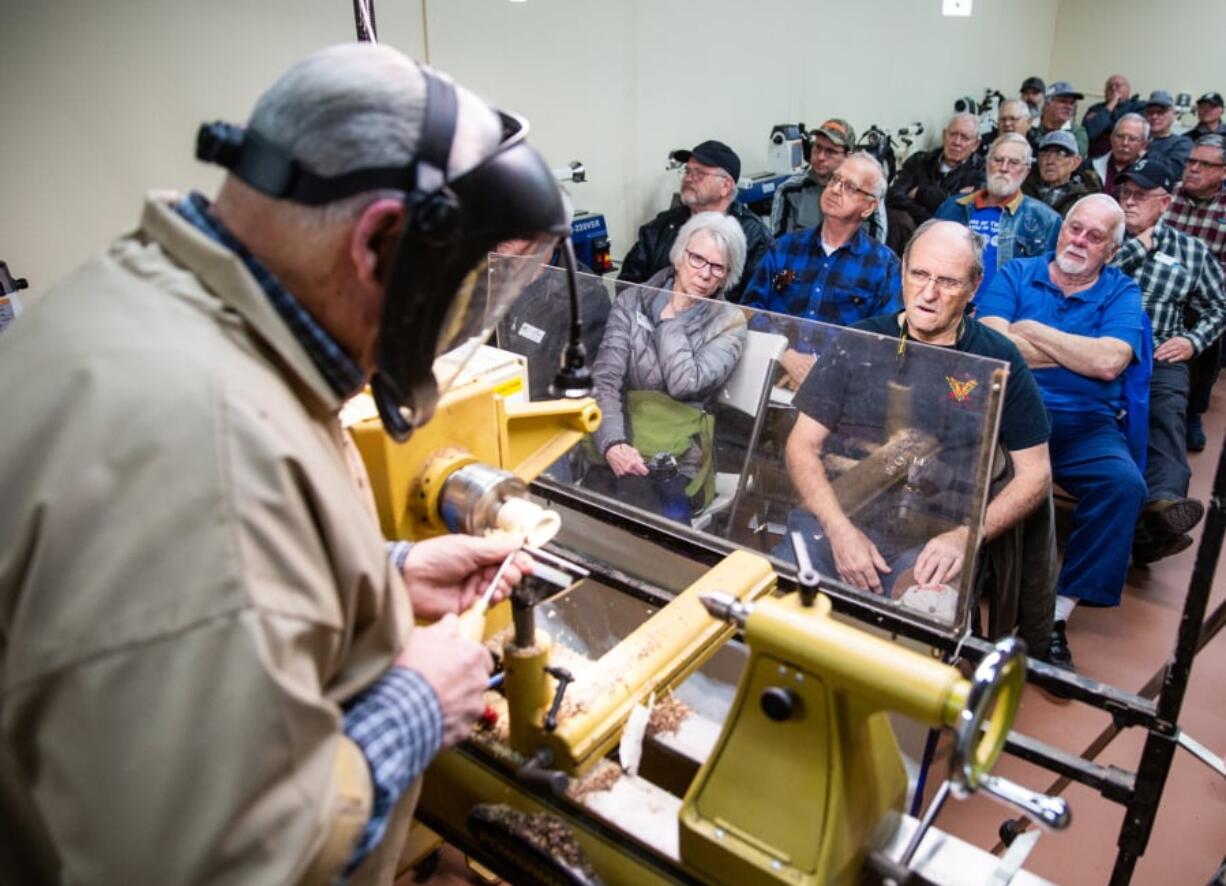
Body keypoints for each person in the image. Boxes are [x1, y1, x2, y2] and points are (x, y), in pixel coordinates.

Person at [0, 43, 556, 883]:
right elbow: (204, 861)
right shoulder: (203, 447)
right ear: (381, 243)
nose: (449, 324)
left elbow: (202, 593)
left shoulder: (152, 308)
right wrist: (417, 702)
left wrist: (382, 575)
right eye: (459, 285)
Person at [784, 221, 1053, 649]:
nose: (928, 294)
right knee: (778, 624)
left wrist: (969, 535)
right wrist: (839, 529)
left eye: (947, 281)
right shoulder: (860, 341)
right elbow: (802, 445)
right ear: (902, 270)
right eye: (919, 275)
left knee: (910, 646)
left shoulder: (998, 358)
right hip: (839, 513)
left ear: (973, 286)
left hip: (934, 534)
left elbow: (1035, 474)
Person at [976, 194, 1147, 671]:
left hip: (1084, 426)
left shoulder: (1121, 291)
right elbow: (993, 343)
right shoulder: (1015, 273)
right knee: (970, 463)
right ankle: (981, 575)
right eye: (1075, 228)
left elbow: (1111, 362)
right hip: (1011, 417)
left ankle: (1055, 614)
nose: (1079, 241)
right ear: (1062, 227)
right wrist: (1081, 355)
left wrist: (1030, 329)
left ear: (1110, 252)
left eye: (1095, 237)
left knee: (1124, 485)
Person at [587, 212, 748, 524]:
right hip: (623, 435)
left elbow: (684, 384)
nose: (704, 273)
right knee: (593, 502)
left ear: (728, 274)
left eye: (717, 267)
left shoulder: (729, 322)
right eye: (697, 259)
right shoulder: (631, 301)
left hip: (680, 459)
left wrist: (671, 320)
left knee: (639, 508)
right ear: (679, 256)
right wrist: (613, 444)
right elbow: (605, 380)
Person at [1111, 156, 1226, 564]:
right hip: (1099, 349)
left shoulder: (1190, 251)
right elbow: (1085, 276)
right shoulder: (1101, 235)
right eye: (1125, 193)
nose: (1128, 202)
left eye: (1140, 195)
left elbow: (1220, 304)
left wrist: (1193, 341)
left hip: (1158, 352)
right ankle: (1140, 523)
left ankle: (1162, 506)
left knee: (1166, 413)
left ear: (1165, 202)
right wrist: (1133, 249)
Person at [742, 153, 901, 389]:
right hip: (772, 377)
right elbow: (750, 309)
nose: (835, 189)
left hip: (839, 390)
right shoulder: (785, 248)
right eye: (835, 179)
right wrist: (786, 355)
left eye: (849, 187)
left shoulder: (884, 265)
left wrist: (819, 368)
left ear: (868, 207)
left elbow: (884, 342)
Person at [618, 139, 769, 303]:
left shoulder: (754, 237)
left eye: (699, 174)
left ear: (725, 186)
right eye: (687, 171)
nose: (688, 178)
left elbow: (753, 306)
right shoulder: (662, 226)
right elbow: (627, 285)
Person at [935, 133, 1063, 294]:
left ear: (1026, 171)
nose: (1004, 168)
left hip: (1002, 312)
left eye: (1014, 163)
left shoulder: (1045, 220)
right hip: (947, 300)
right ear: (987, 164)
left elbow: (1047, 284)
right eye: (998, 160)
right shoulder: (953, 207)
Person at [1165, 135, 1226, 452]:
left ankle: (1193, 412)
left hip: (1204, 296)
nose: (1193, 169)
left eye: (1205, 164)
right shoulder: (1168, 197)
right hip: (1160, 287)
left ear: (1223, 172)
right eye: (1191, 162)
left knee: (1212, 330)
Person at [771, 118, 888, 244]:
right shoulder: (789, 190)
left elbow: (874, 253)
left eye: (830, 152)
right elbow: (779, 250)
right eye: (817, 147)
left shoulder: (865, 194)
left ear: (848, 157)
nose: (820, 157)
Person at [886, 112, 985, 250]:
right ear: (945, 135)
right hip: (913, 232)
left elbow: (964, 209)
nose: (956, 142)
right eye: (953, 134)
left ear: (975, 144)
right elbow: (893, 195)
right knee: (898, 219)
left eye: (964, 138)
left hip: (955, 238)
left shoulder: (981, 170)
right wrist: (927, 218)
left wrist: (922, 192)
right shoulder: (919, 161)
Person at [1023, 130, 1103, 217]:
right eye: (1044, 154)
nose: (1050, 161)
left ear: (1075, 162)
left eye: (1060, 154)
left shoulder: (1085, 199)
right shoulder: (1022, 189)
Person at [1082, 74, 1146, 158]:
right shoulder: (1096, 108)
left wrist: (1102, 120)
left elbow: (1130, 132)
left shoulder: (1138, 107)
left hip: (1126, 157)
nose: (1113, 88)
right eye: (1109, 86)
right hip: (1096, 158)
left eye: (1118, 85)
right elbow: (1090, 132)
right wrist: (1111, 104)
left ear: (1128, 89)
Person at [1092, 113, 1150, 198]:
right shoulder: (1090, 166)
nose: (1125, 143)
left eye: (1132, 139)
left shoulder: (1148, 175)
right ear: (1111, 139)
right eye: (1120, 136)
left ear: (1143, 145)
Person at [1029, 81, 1090, 158]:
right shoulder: (1028, 125)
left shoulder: (1077, 132)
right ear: (1047, 104)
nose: (1069, 107)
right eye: (1063, 101)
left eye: (1072, 103)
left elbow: (1071, 161)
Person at [1143, 90, 1195, 176]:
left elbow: (1174, 170)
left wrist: (1143, 153)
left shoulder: (1183, 143)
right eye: (1150, 112)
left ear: (1173, 114)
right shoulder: (1135, 138)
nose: (1154, 116)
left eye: (1160, 112)